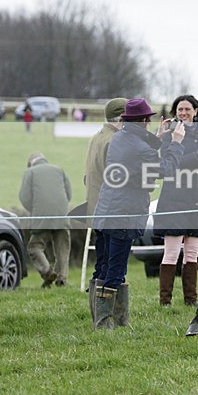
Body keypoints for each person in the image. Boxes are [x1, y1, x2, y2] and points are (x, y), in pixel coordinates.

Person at [92, 98, 185, 330]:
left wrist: (159, 137)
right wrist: (176, 142)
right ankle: (105, 324)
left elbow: (141, 151)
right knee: (116, 269)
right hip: (124, 213)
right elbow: (166, 168)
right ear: (144, 120)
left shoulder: (119, 138)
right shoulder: (139, 146)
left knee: (104, 267)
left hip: (105, 211)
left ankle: (116, 321)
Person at [155, 94, 198, 308]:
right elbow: (171, 165)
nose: (183, 113)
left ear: (196, 111)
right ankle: (165, 301)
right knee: (171, 252)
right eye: (179, 109)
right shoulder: (170, 136)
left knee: (192, 253)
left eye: (187, 109)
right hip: (174, 198)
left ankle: (191, 300)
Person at [83, 98, 127, 314]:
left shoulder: (97, 137)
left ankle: (99, 314)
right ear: (121, 118)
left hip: (97, 210)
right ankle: (106, 317)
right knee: (111, 267)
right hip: (111, 211)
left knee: (102, 264)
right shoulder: (115, 141)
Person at [19, 152, 73, 287]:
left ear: (31, 163)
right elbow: (69, 193)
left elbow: (24, 197)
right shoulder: (59, 170)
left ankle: (48, 272)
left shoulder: (29, 172)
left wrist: (35, 210)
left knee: (34, 247)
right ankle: (62, 279)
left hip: (41, 216)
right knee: (62, 248)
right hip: (62, 214)